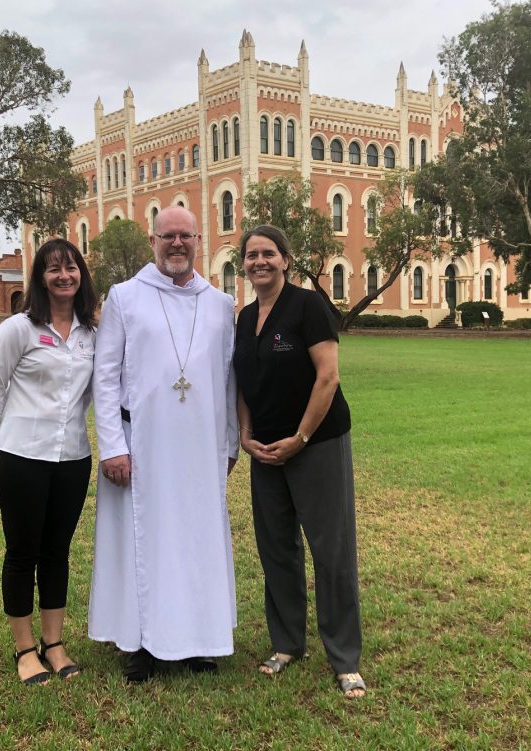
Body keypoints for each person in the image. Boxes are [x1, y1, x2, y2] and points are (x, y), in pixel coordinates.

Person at [89, 206, 239, 682]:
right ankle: (142, 644)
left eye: (185, 236)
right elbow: (105, 376)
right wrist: (112, 445)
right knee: (144, 540)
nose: (177, 244)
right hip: (142, 445)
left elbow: (229, 379)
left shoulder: (219, 304)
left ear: (199, 240)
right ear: (152, 242)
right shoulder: (125, 297)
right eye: (167, 236)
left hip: (200, 447)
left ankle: (199, 639)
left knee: (197, 539)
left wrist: (230, 444)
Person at [233, 224, 366, 698]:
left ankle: (345, 657)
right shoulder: (244, 318)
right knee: (276, 549)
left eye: (269, 253)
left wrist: (301, 437)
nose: (260, 262)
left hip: (318, 443)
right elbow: (242, 384)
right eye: (251, 255)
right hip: (266, 450)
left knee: (331, 551)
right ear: (243, 264)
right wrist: (246, 435)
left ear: (286, 260)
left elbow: (327, 378)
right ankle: (287, 642)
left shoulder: (309, 307)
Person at [0, 238, 98, 685]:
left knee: (57, 554)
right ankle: (25, 649)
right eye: (53, 269)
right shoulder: (17, 331)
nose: (64, 275)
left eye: (71, 268)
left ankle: (55, 644)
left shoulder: (91, 336)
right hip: (21, 460)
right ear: (40, 278)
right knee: (22, 553)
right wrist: (13, 441)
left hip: (72, 460)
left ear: (81, 276)